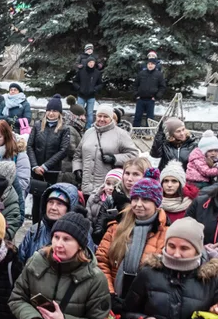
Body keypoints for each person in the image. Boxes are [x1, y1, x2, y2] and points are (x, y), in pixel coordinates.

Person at [96, 169, 169, 300]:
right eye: (135, 199)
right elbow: (101, 262)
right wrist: (110, 293)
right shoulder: (115, 228)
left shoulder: (167, 233)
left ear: (156, 203)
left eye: (145, 200)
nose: (138, 204)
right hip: (113, 298)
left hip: (146, 303)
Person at [73, 104, 139, 196]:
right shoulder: (88, 132)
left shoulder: (121, 134)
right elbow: (77, 156)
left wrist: (115, 159)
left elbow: (134, 154)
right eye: (99, 116)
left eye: (105, 116)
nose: (102, 119)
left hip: (108, 188)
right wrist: (77, 169)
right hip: (86, 187)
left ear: (111, 118)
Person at [19, 182, 87, 265]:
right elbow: (20, 264)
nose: (53, 208)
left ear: (70, 207)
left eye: (60, 203)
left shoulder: (81, 235)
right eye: (51, 202)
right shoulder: (34, 231)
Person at [28, 95, 72, 202]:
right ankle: (35, 219)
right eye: (49, 110)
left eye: (55, 111)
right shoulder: (38, 126)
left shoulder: (64, 129)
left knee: (49, 200)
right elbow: (30, 146)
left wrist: (45, 166)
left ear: (59, 113)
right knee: (36, 201)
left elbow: (63, 150)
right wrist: (35, 166)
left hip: (52, 171)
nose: (51, 113)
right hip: (36, 170)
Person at [0, 119, 31, 198]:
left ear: (6, 136)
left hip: (10, 198)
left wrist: (3, 190)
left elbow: (23, 181)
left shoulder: (19, 153)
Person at [133, 55, 167, 128]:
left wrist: (157, 96)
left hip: (151, 99)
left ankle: (148, 133)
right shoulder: (141, 73)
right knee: (137, 116)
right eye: (149, 64)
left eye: (152, 64)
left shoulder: (159, 75)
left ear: (155, 65)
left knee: (150, 118)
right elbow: (135, 85)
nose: (150, 66)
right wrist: (136, 94)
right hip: (140, 99)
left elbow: (162, 87)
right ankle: (135, 131)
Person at [74, 52, 103, 128]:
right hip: (81, 95)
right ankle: (78, 127)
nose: (91, 64)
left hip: (91, 96)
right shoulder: (81, 71)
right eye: (90, 62)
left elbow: (100, 84)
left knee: (90, 113)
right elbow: (75, 81)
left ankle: (88, 129)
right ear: (87, 63)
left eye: (93, 62)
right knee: (79, 112)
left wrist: (95, 89)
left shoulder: (97, 73)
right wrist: (79, 88)